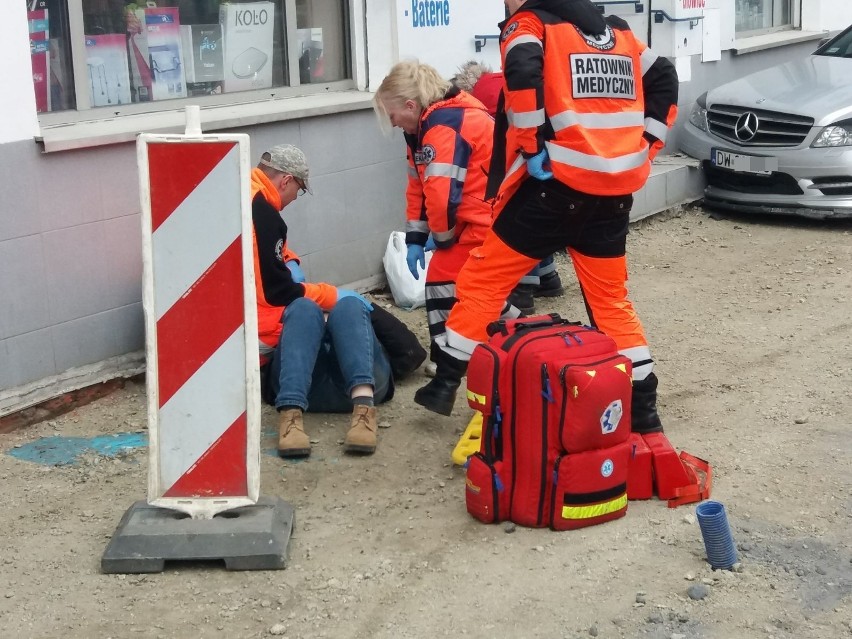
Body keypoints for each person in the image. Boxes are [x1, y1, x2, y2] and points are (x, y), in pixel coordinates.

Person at [414, 0, 679, 434]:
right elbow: (664, 75)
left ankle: (445, 383)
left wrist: (532, 144)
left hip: (552, 186)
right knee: (611, 302)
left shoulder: (529, 24)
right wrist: (646, 146)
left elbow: (520, 72)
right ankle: (645, 409)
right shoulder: (618, 32)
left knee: (483, 280)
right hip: (611, 191)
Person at [252, 144, 422, 458]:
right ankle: (362, 411)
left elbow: (266, 261)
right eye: (299, 190)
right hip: (340, 378)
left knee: (327, 306)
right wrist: (326, 295)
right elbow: (275, 288)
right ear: (286, 181)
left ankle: (292, 418)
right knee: (346, 304)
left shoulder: (248, 204)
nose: (293, 200)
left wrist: (291, 263)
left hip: (293, 382)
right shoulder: (263, 213)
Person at [373, 60, 521, 400]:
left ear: (410, 105)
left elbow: (439, 196)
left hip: (486, 222)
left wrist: (440, 239)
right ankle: (511, 340)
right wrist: (414, 238)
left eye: (393, 115)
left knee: (456, 285)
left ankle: (451, 362)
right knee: (470, 290)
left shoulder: (441, 127)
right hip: (486, 219)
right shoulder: (428, 125)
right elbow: (419, 186)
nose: (393, 124)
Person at [453, 59, 565, 315]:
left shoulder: (479, 96)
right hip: (547, 148)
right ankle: (548, 278)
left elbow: (494, 134)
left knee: (520, 218)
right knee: (541, 215)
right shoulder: (497, 80)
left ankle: (522, 290)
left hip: (524, 152)